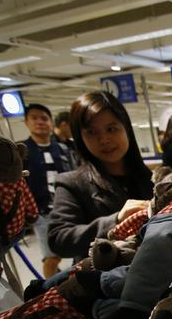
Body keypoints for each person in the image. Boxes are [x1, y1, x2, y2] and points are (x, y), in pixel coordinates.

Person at [47, 91, 153, 261]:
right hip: (103, 274)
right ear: (81, 138)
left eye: (111, 129)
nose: (104, 139)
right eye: (91, 132)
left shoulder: (151, 178)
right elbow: (59, 239)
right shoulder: (72, 183)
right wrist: (116, 220)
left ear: (126, 128)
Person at [21, 103, 76, 277]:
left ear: (51, 123)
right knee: (52, 257)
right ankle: (49, 289)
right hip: (42, 213)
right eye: (34, 118)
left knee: (79, 249)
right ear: (26, 122)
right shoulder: (22, 152)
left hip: (68, 210)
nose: (40, 122)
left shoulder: (63, 149)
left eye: (44, 118)